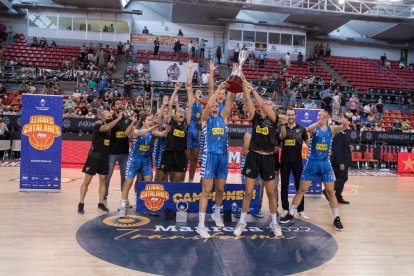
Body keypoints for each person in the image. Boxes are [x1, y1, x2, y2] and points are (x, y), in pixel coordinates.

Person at [280, 113, 350, 231]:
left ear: (327, 117)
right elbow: (308, 129)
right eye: (318, 116)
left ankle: (336, 218)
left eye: (321, 116)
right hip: (312, 163)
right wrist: (319, 122)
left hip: (325, 164)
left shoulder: (331, 130)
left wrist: (345, 122)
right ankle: (291, 213)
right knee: (301, 190)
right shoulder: (314, 128)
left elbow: (343, 127)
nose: (319, 117)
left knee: (330, 192)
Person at [233, 79, 284, 238]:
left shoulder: (275, 120)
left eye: (268, 105)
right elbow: (249, 101)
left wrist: (252, 88)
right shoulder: (256, 118)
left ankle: (274, 222)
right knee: (248, 192)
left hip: (268, 159)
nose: (265, 106)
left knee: (270, 193)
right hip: (253, 157)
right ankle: (242, 221)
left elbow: (261, 104)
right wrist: (245, 87)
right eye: (265, 104)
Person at [197, 82, 234, 238]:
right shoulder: (205, 120)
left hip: (223, 158)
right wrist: (219, 88)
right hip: (209, 157)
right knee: (206, 191)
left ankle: (216, 213)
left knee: (220, 190)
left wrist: (235, 83)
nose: (214, 108)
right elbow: (208, 106)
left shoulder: (223, 118)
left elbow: (230, 101)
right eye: (212, 106)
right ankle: (200, 225)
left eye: (216, 107)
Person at [118, 113, 167, 217]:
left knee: (149, 184)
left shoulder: (153, 132)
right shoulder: (137, 130)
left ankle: (149, 206)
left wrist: (166, 127)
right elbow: (139, 133)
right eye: (148, 120)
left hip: (146, 161)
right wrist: (152, 128)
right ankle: (122, 207)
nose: (150, 121)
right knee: (128, 183)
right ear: (143, 121)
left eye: (151, 120)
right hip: (134, 160)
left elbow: (163, 134)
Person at [78, 110, 123, 214]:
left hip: (104, 158)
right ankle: (81, 203)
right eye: (108, 114)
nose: (110, 115)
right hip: (94, 157)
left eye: (111, 115)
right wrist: (118, 118)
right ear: (102, 116)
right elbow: (105, 128)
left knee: (103, 180)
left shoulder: (110, 128)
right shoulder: (98, 124)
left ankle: (101, 203)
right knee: (87, 180)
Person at [104, 99, 136, 208]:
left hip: (124, 152)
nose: (120, 105)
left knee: (125, 177)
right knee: (107, 177)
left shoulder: (127, 119)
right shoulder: (110, 119)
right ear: (113, 107)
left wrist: (133, 125)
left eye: (122, 104)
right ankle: (103, 199)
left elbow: (130, 135)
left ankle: (124, 200)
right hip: (111, 152)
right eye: (117, 104)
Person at [158, 81, 193, 182]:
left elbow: (190, 107)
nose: (181, 112)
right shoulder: (170, 122)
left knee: (178, 181)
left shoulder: (186, 123)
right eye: (179, 111)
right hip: (169, 152)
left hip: (181, 154)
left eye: (183, 111)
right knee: (162, 179)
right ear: (175, 114)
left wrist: (189, 91)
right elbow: (169, 106)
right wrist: (176, 89)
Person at [279, 108, 310, 219]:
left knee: (299, 186)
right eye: (288, 115)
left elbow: (309, 144)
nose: (290, 117)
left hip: (297, 162)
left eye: (292, 115)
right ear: (286, 116)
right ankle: (285, 209)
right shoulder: (283, 128)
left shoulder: (301, 129)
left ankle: (300, 210)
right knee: (284, 186)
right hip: (284, 162)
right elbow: (280, 139)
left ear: (295, 116)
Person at [326, 122, 352, 204]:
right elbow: (337, 150)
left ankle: (338, 196)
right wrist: (341, 163)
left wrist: (350, 148)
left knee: (340, 179)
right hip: (339, 162)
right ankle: (328, 190)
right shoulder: (338, 135)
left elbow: (343, 148)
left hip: (343, 161)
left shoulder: (343, 134)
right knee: (343, 178)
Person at [186, 60, 203, 183]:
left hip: (197, 133)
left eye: (201, 93)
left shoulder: (201, 108)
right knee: (186, 158)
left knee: (195, 160)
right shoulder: (192, 102)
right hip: (189, 132)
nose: (200, 94)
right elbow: (189, 86)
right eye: (198, 92)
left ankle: (191, 181)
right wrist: (190, 69)